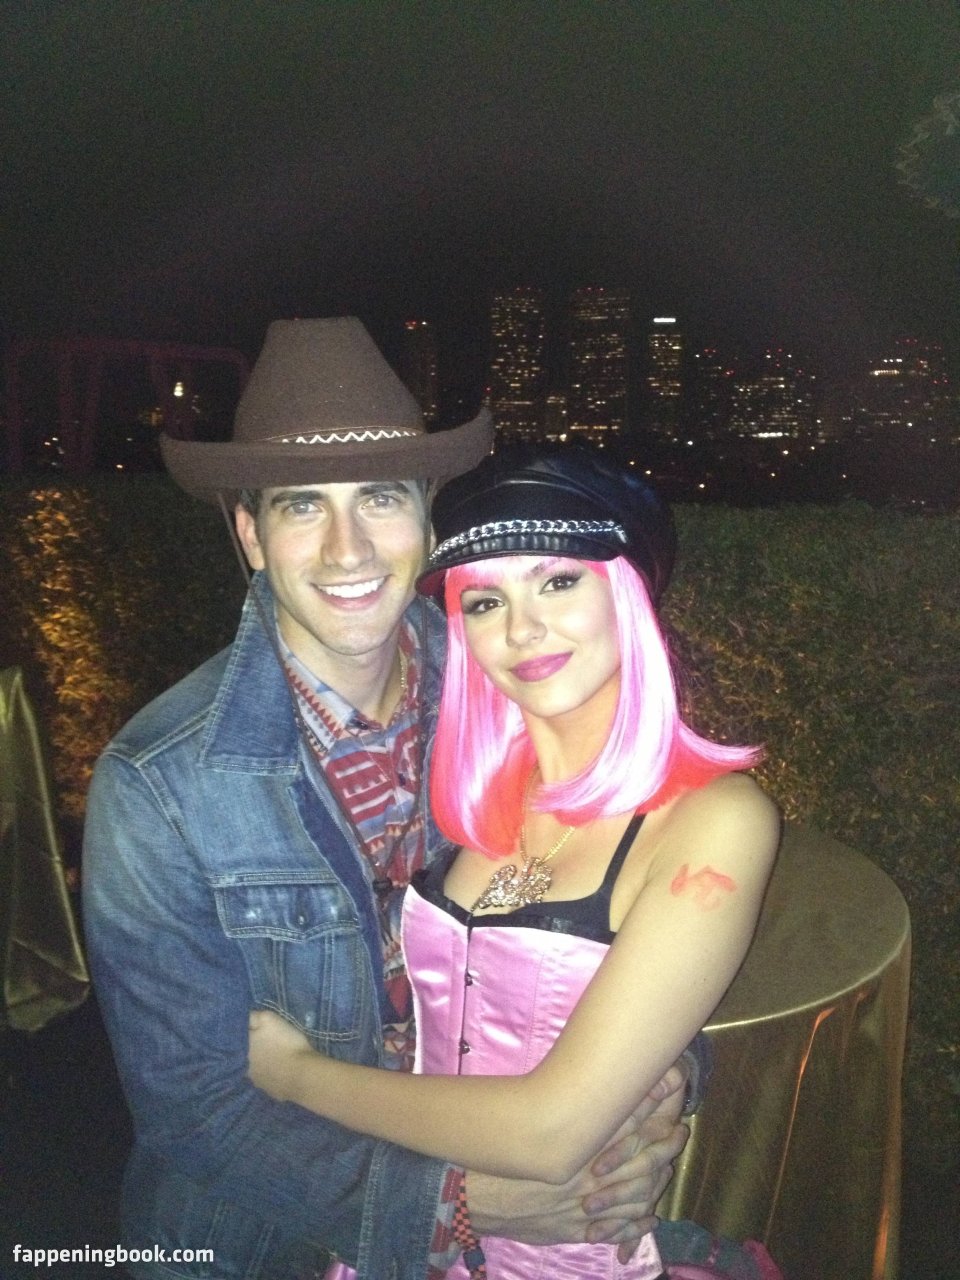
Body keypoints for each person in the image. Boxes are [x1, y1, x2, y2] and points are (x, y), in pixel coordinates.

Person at [83, 319, 697, 1280]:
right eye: (302, 508)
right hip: (268, 1244)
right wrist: (457, 1203)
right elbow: (194, 1109)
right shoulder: (159, 786)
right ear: (250, 536)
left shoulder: (513, 682)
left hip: (524, 1212)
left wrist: (662, 1083)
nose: (348, 550)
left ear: (427, 518)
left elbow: (636, 901)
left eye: (379, 497)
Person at [247, 443, 784, 1279]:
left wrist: (292, 1075)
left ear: (629, 593)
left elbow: (551, 1132)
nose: (522, 629)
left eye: (559, 582)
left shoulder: (720, 820)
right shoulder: (461, 791)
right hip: (397, 1245)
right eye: (487, 601)